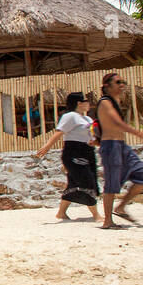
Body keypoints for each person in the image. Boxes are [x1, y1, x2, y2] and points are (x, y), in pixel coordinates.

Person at [95, 72, 143, 229]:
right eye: (118, 82)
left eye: (123, 81)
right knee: (112, 185)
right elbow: (116, 123)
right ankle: (108, 221)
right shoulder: (105, 102)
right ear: (107, 86)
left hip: (122, 146)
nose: (122, 84)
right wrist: (140, 133)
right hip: (111, 147)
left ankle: (120, 207)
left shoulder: (116, 101)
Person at [34, 92, 101, 222]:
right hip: (73, 152)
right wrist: (47, 146)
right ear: (79, 103)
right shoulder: (69, 116)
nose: (89, 104)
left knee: (74, 183)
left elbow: (91, 136)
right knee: (87, 182)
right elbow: (59, 132)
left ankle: (61, 213)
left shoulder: (88, 119)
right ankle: (96, 215)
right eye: (86, 101)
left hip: (88, 151)